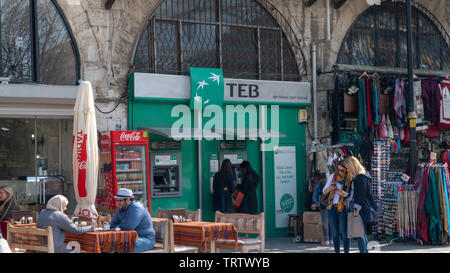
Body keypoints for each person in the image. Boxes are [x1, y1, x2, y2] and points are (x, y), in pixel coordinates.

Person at [345, 156, 377, 253]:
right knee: (360, 233)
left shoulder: (361, 177)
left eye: (348, 167)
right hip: (354, 206)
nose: (347, 169)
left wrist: (356, 208)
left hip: (357, 207)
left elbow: (361, 194)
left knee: (359, 234)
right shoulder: (357, 177)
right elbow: (355, 193)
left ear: (352, 165)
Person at [108, 188, 155, 253]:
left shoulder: (136, 208)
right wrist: (107, 225)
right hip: (130, 238)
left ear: (128, 200)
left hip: (145, 239)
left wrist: (116, 227)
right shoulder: (121, 207)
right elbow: (114, 222)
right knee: (108, 244)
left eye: (120, 201)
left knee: (125, 247)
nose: (118, 203)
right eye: (117, 201)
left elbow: (129, 227)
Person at [323, 160, 351, 253]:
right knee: (335, 233)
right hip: (332, 207)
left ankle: (346, 251)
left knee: (344, 232)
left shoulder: (350, 178)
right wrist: (330, 188)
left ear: (346, 170)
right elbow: (324, 191)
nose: (340, 172)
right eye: (338, 170)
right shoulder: (333, 177)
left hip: (343, 208)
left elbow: (351, 194)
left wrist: (344, 194)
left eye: (342, 170)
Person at [311, 176, 333, 245]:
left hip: (323, 204)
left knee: (325, 222)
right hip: (331, 205)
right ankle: (332, 240)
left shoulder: (319, 185)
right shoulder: (332, 184)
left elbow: (314, 196)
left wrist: (317, 204)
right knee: (331, 222)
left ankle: (326, 240)